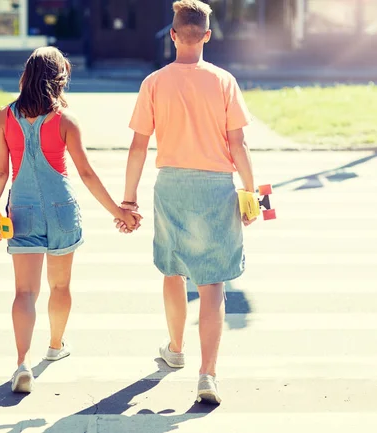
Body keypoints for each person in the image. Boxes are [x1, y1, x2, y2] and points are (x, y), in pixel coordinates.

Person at [115, 0, 256, 405]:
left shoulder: (154, 83)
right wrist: (251, 194)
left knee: (173, 270)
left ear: (173, 34)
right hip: (216, 186)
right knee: (213, 283)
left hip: (171, 185)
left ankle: (175, 349)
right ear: (208, 36)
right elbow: (238, 143)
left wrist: (128, 199)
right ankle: (207, 374)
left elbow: (138, 146)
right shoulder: (224, 81)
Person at [0, 47, 140, 393]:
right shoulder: (66, 121)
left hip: (20, 211)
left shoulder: (4, 117)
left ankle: (22, 363)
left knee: (24, 291)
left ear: (26, 77)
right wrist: (119, 212)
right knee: (60, 286)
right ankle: (55, 345)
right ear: (60, 81)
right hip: (62, 210)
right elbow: (85, 173)